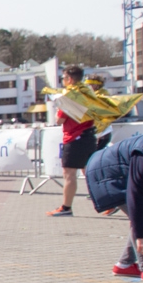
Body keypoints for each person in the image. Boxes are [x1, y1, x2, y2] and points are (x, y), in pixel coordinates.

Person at [84, 134, 143, 279]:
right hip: (107, 175)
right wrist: (142, 236)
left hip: (120, 170)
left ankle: (124, 265)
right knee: (141, 220)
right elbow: (135, 196)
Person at [48, 65, 97, 217]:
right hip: (88, 135)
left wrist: (57, 112)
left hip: (75, 137)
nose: (62, 81)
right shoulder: (87, 92)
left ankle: (66, 207)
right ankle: (110, 201)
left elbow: (59, 120)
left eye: (63, 78)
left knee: (69, 173)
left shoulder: (69, 95)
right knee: (89, 171)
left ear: (69, 79)